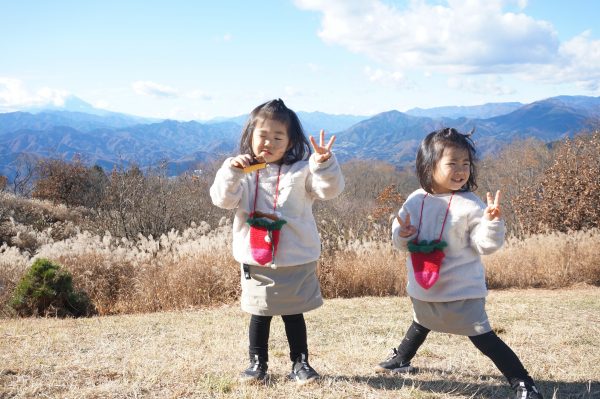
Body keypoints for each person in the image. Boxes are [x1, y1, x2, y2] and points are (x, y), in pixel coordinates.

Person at [376, 127, 543, 399]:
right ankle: (401, 359)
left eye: (465, 163)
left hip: (461, 288)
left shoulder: (471, 205)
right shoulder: (416, 200)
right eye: (452, 162)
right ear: (429, 166)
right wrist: (401, 233)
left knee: (482, 335)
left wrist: (492, 223)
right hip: (423, 283)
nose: (461, 169)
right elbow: (401, 239)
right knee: (422, 319)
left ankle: (523, 384)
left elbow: (485, 245)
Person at [210, 99, 344, 385]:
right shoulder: (240, 169)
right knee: (260, 313)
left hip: (295, 256)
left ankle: (301, 363)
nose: (268, 143)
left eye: (277, 137)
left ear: (290, 141)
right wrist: (232, 172)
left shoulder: (302, 170)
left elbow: (328, 191)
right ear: (250, 135)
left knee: (293, 313)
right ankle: (257, 364)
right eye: (262, 135)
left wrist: (323, 164)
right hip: (256, 257)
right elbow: (223, 200)